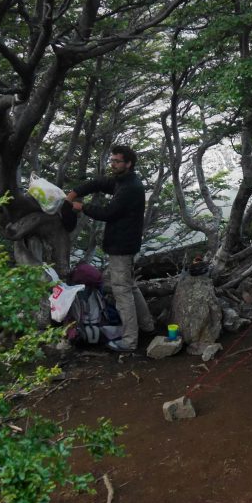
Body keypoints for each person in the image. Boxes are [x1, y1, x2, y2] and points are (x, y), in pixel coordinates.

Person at [66, 145, 154, 352]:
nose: (112, 164)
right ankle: (147, 325)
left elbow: (108, 213)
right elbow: (98, 182)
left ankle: (130, 341)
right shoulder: (122, 181)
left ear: (128, 164)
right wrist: (74, 193)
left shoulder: (131, 187)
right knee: (129, 286)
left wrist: (81, 207)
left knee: (122, 291)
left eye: (116, 161)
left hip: (122, 246)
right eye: (112, 160)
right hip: (125, 243)